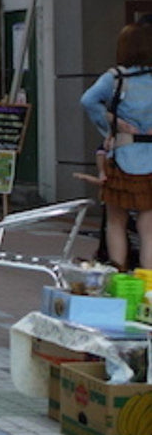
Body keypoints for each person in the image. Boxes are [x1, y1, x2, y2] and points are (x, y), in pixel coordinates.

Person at [82, 24, 152, 270]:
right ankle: (148, 285)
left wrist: (111, 122)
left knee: (116, 221)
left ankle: (119, 274)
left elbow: (88, 100)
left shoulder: (116, 77)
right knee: (148, 226)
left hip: (123, 156)